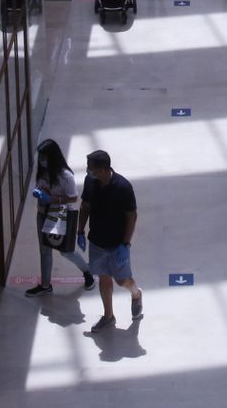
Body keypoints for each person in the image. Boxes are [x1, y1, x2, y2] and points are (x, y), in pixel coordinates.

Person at [77, 150, 142, 333]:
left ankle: (136, 294)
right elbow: (85, 206)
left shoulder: (123, 187)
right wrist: (80, 230)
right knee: (103, 277)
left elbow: (131, 216)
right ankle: (108, 316)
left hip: (117, 244)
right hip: (97, 241)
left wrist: (125, 244)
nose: (90, 173)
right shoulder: (90, 182)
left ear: (105, 169)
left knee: (122, 281)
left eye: (93, 170)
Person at [25, 140, 94, 296]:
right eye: (40, 157)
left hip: (62, 216)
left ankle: (87, 272)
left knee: (66, 251)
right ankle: (45, 284)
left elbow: (72, 198)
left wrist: (51, 199)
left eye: (44, 157)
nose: (41, 160)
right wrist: (40, 195)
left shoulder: (65, 176)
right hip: (43, 214)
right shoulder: (42, 172)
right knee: (45, 250)